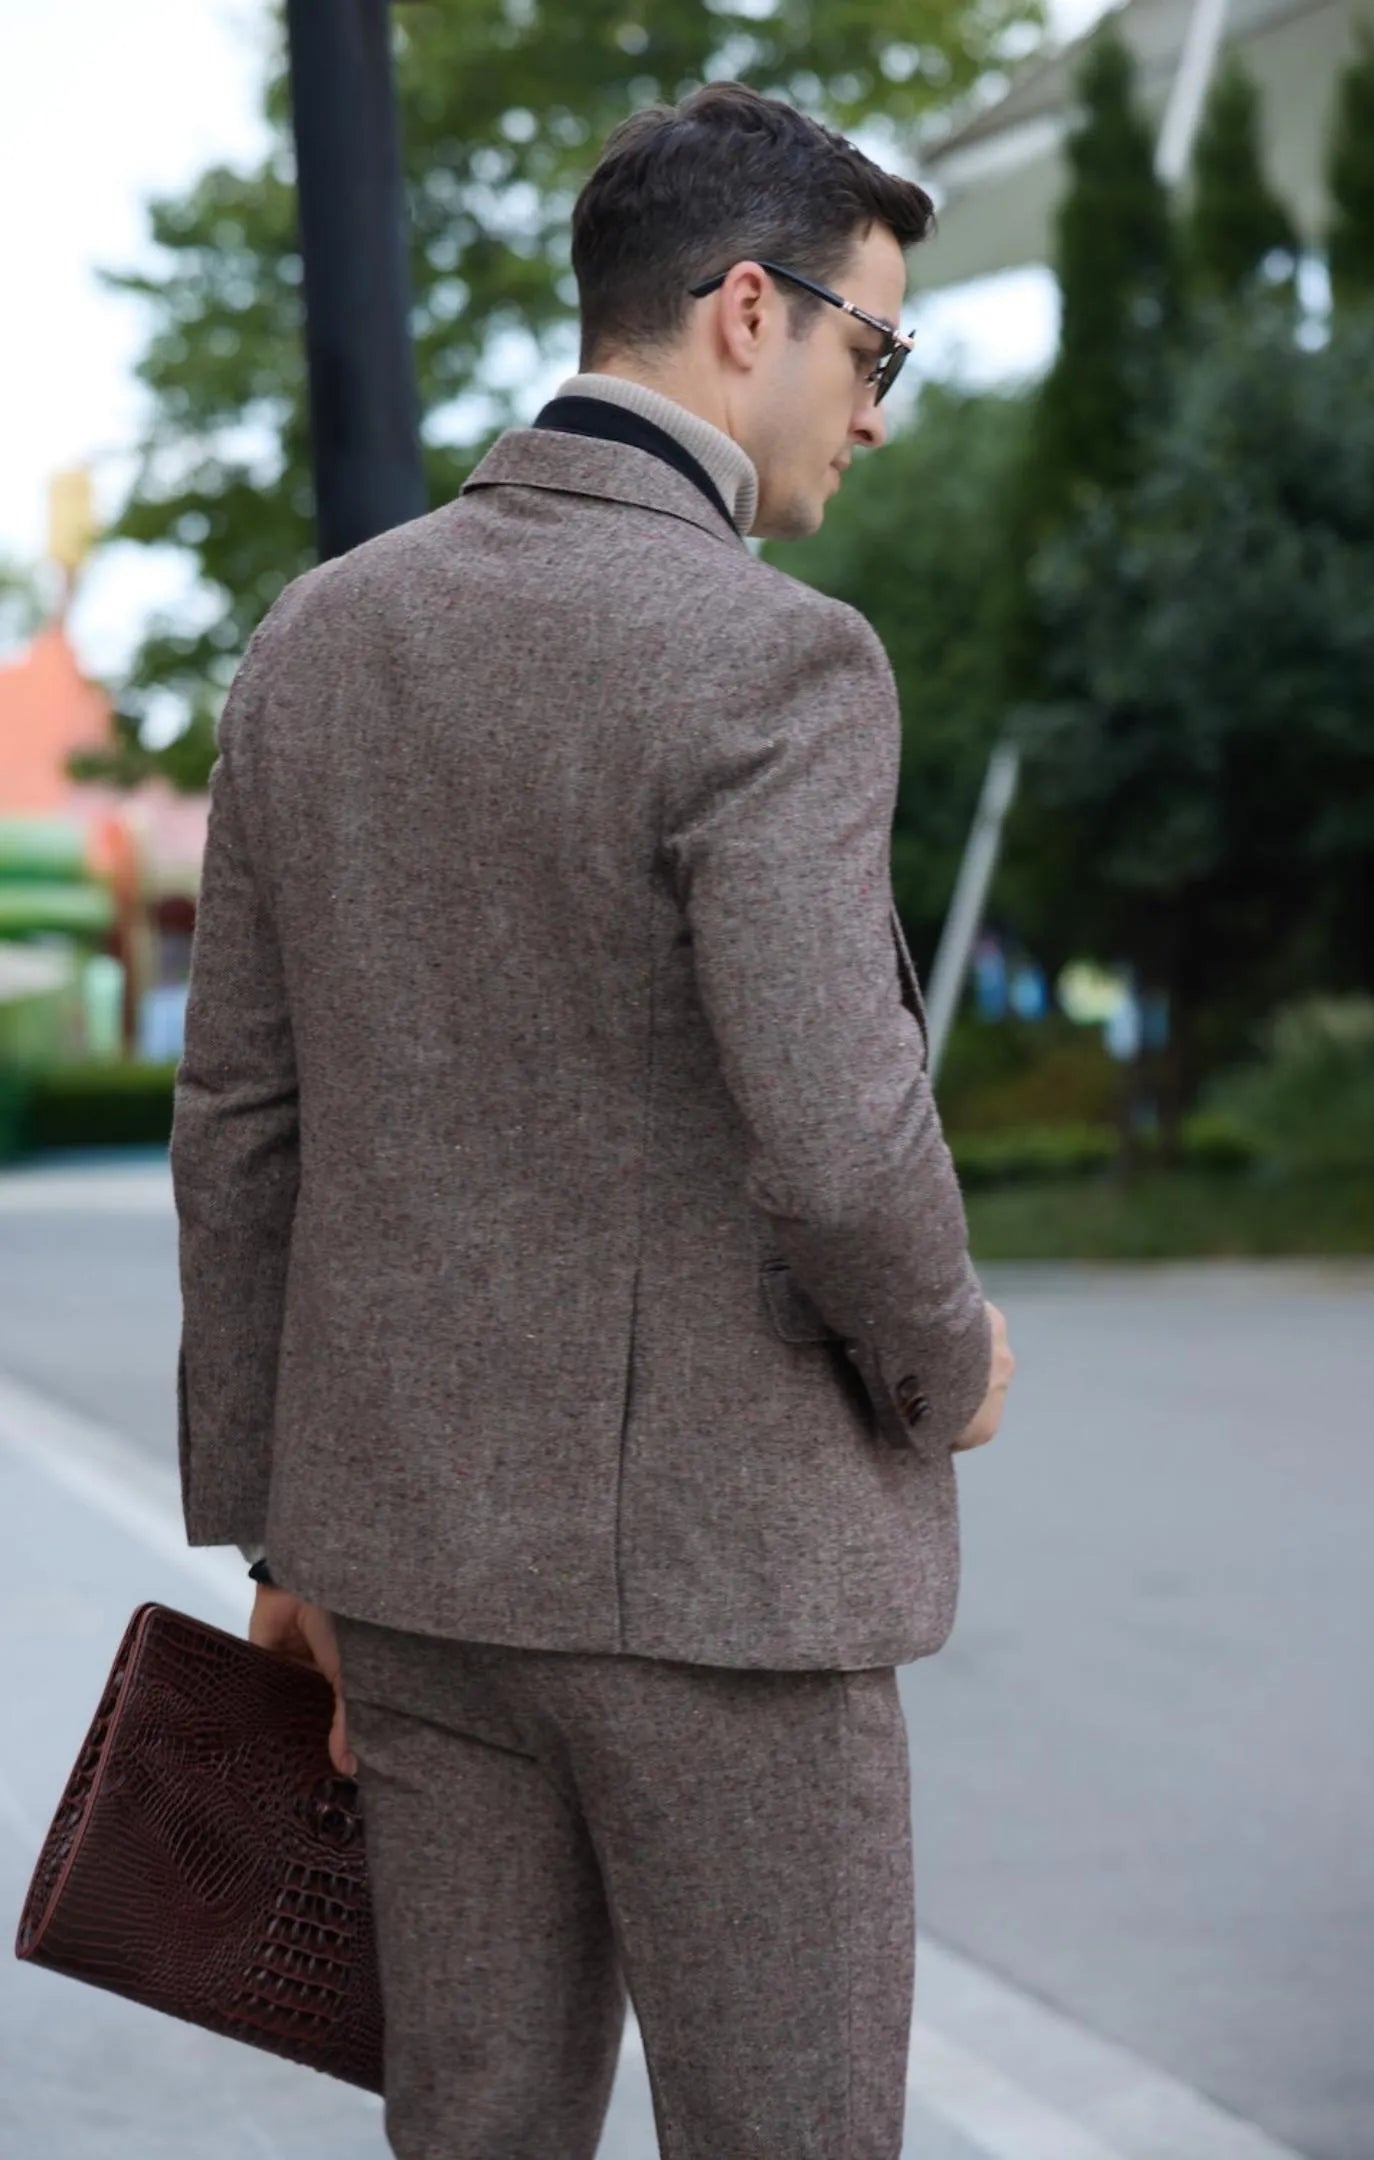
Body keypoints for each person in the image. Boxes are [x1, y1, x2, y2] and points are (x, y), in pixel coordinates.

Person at [170, 79, 1015, 2160]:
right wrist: (950, 1358)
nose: (878, 410)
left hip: (417, 1587)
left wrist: (279, 1533)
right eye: (875, 349)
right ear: (753, 310)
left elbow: (240, 1126)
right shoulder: (778, 665)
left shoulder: (316, 642)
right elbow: (837, 1143)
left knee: (474, 2139)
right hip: (734, 1591)